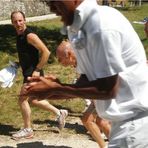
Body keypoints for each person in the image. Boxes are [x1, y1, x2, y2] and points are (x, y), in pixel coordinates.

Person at [24, 0, 148, 147]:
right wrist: (51, 91)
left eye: (56, 1)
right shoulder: (76, 29)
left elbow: (108, 89)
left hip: (135, 125)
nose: (51, 7)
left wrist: (56, 88)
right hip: (123, 127)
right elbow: (85, 83)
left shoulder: (101, 24)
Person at [11, 10, 68, 140]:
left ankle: (28, 130)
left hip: (33, 74)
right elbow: (28, 54)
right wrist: (18, 63)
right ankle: (59, 113)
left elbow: (46, 52)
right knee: (33, 100)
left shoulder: (30, 35)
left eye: (20, 20)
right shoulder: (19, 35)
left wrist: (37, 69)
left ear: (25, 20)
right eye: (15, 21)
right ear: (12, 23)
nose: (18, 23)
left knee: (22, 100)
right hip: (29, 72)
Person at [56, 40, 111, 148]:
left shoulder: (85, 61)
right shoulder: (78, 61)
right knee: (91, 120)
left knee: (99, 121)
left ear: (70, 55)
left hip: (106, 90)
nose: (59, 62)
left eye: (60, 58)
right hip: (100, 93)